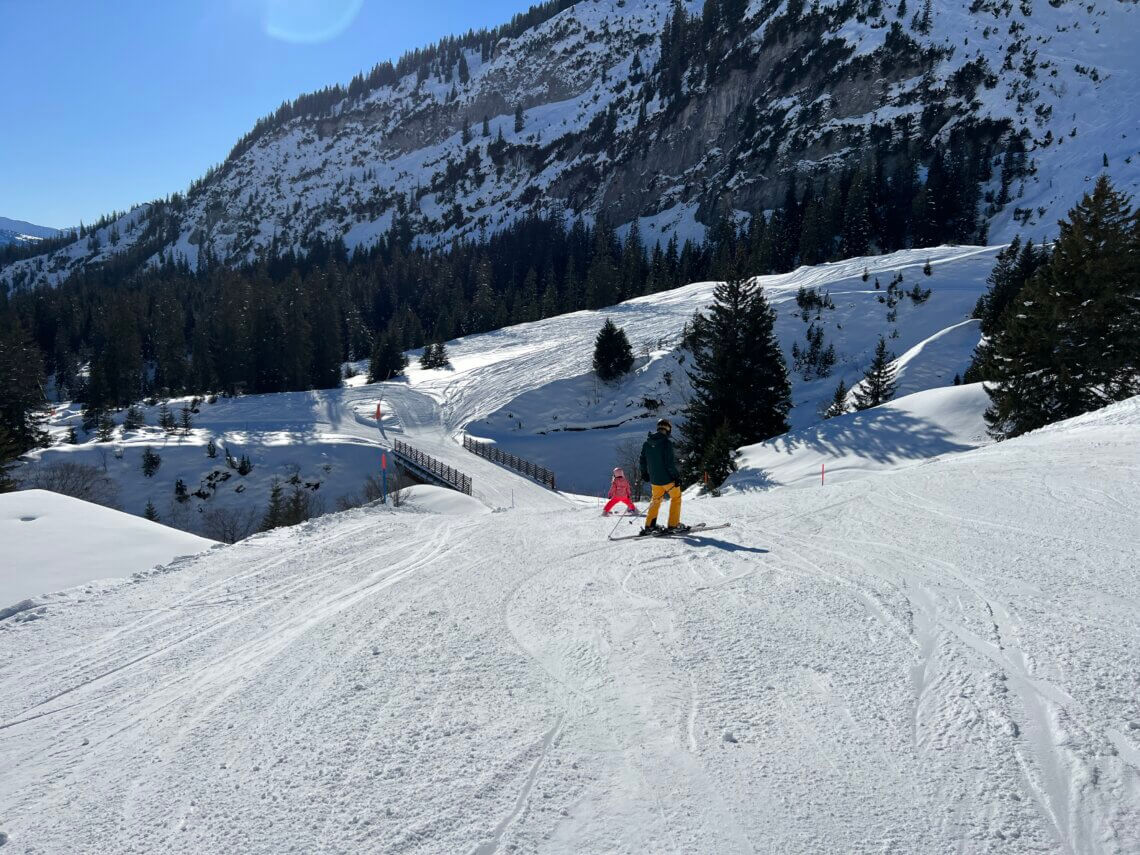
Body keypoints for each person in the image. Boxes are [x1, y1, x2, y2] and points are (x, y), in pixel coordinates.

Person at [638, 418, 689, 535]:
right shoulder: (666, 443)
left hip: (655, 480)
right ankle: (673, 525)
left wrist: (644, 473)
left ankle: (649, 525)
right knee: (676, 498)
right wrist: (676, 477)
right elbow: (669, 464)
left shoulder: (647, 443)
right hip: (668, 480)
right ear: (668, 429)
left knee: (655, 500)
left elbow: (642, 460)